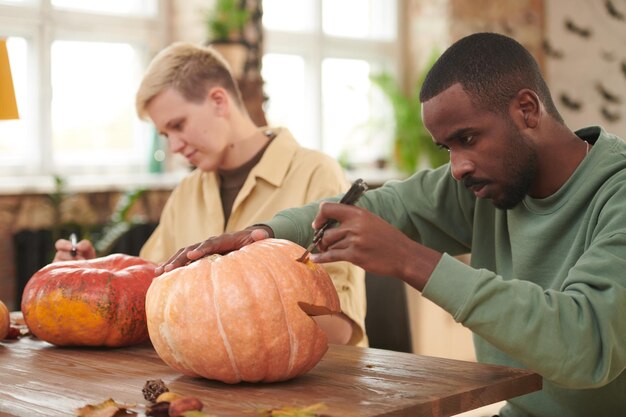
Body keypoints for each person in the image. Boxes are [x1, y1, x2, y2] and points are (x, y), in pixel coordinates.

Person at [156, 33, 626, 417]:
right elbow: (391, 205)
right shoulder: (487, 182)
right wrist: (267, 233)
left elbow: (586, 346)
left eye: (467, 139)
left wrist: (408, 259)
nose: (458, 166)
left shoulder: (617, 194)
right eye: (447, 148)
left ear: (527, 110)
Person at [53, 42, 368, 347]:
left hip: (318, 387)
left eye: (178, 125)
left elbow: (339, 328)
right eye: (165, 134)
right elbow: (152, 293)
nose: (174, 146)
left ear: (219, 101)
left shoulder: (317, 174)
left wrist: (233, 301)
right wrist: (97, 282)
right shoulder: (188, 191)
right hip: (208, 382)